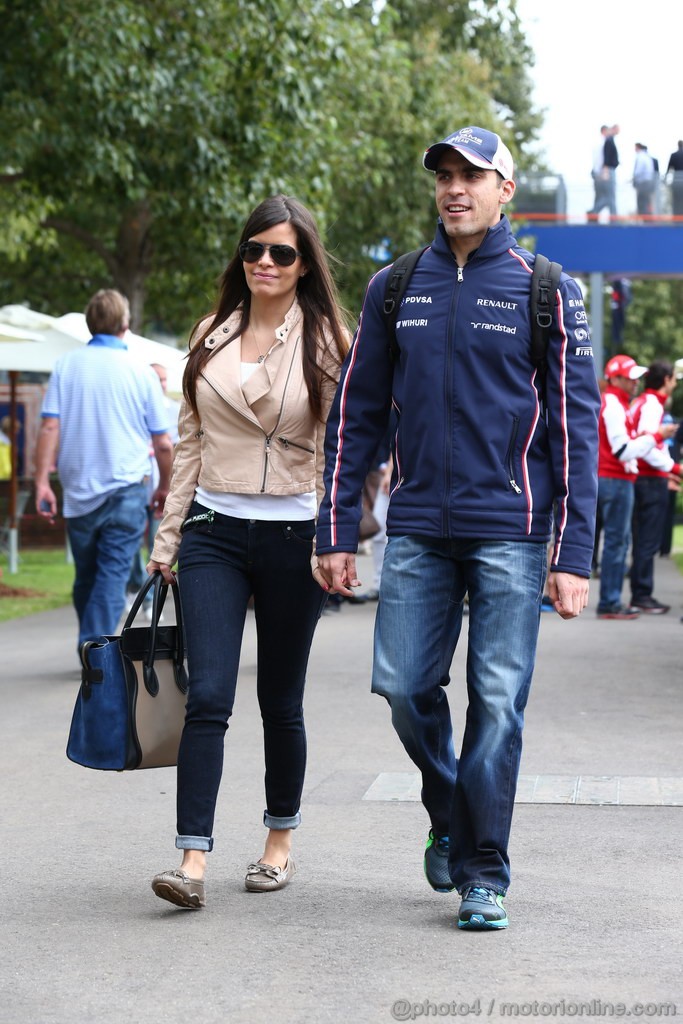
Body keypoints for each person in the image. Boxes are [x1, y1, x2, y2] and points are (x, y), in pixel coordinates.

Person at [315, 125, 601, 930]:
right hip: (414, 529)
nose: (454, 188)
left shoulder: (548, 290)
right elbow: (355, 418)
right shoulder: (394, 287)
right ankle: (449, 809)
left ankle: (484, 871)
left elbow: (574, 432)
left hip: (510, 531)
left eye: (472, 176)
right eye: (443, 175)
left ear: (504, 191)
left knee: (497, 701)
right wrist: (335, 530)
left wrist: (570, 553)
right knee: (404, 689)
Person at [147, 194, 349, 910]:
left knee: (279, 699)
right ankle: (190, 859)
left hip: (297, 534)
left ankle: (277, 842)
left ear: (303, 265)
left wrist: (335, 536)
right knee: (207, 694)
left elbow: (339, 450)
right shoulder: (210, 333)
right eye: (254, 250)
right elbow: (191, 441)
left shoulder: (329, 340)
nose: (265, 262)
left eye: (281, 253)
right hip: (214, 529)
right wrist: (167, 538)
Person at [34, 289, 173, 648]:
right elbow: (162, 442)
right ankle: (94, 651)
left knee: (89, 575)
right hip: (127, 487)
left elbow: (49, 426)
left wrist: (40, 484)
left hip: (78, 490)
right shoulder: (141, 372)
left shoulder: (66, 365)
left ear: (89, 323)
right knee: (107, 575)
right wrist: (165, 487)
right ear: (125, 324)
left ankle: (92, 648)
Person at [595, 354, 675, 619]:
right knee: (617, 544)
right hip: (616, 478)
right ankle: (610, 602)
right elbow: (623, 450)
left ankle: (612, 601)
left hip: (617, 478)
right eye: (630, 378)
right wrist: (655, 437)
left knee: (619, 543)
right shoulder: (614, 404)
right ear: (615, 378)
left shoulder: (617, 402)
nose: (636, 382)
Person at [628, 361, 681, 613]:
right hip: (649, 479)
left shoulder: (643, 402)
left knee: (642, 540)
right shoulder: (651, 404)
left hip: (644, 477)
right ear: (666, 380)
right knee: (647, 541)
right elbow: (647, 445)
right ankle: (641, 594)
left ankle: (640, 593)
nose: (675, 383)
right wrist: (674, 468)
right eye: (673, 379)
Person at [588, 124, 619, 218]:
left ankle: (593, 213)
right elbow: (601, 159)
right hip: (604, 172)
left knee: (604, 197)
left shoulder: (603, 142)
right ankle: (594, 213)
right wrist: (604, 171)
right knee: (609, 197)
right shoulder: (604, 142)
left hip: (600, 172)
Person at [632, 143, 657, 217]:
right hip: (648, 182)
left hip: (643, 182)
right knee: (647, 202)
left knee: (642, 202)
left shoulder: (641, 156)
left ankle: (644, 220)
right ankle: (647, 219)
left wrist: (634, 179)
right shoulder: (647, 156)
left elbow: (638, 171)